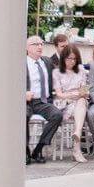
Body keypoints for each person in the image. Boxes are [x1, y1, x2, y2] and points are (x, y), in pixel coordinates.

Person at [25, 34, 63, 164]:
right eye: (36, 44)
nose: (40, 46)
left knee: (57, 115)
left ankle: (38, 149)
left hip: (44, 102)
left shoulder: (47, 61)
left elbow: (60, 75)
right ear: (27, 47)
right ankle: (25, 151)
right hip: (27, 102)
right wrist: (23, 93)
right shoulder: (21, 62)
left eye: (41, 43)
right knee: (23, 116)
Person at [53, 42, 89, 163]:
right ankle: (76, 149)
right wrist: (73, 94)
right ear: (63, 58)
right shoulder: (57, 72)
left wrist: (81, 94)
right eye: (69, 58)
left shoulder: (81, 70)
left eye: (75, 59)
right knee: (80, 103)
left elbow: (84, 90)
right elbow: (59, 94)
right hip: (64, 103)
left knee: (82, 101)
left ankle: (77, 135)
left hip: (79, 100)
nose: (72, 61)